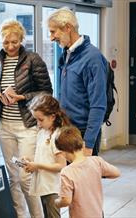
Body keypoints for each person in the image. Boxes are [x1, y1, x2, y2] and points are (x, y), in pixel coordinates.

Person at [0, 19, 52, 218]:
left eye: (14, 42)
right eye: (5, 43)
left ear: (22, 39)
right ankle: (20, 215)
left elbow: (47, 92)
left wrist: (22, 97)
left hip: (27, 127)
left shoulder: (33, 59)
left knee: (26, 177)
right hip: (4, 126)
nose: (10, 46)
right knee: (13, 178)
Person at [47, 7, 108, 156]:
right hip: (66, 129)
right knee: (68, 178)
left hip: (82, 134)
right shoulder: (67, 53)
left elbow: (98, 105)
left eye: (53, 31)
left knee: (84, 179)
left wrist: (89, 142)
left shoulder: (92, 58)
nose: (51, 38)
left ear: (68, 28)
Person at [54, 126, 121, 218]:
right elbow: (116, 173)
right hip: (98, 214)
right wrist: (98, 172)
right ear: (83, 145)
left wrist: (57, 202)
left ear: (63, 153)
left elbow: (66, 201)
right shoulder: (97, 161)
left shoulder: (67, 172)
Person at [22, 94, 70, 218]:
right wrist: (30, 162)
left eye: (40, 120)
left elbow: (61, 165)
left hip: (52, 187)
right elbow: (44, 157)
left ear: (53, 117)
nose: (38, 123)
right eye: (36, 120)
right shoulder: (42, 133)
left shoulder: (58, 136)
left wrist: (36, 165)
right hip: (44, 185)